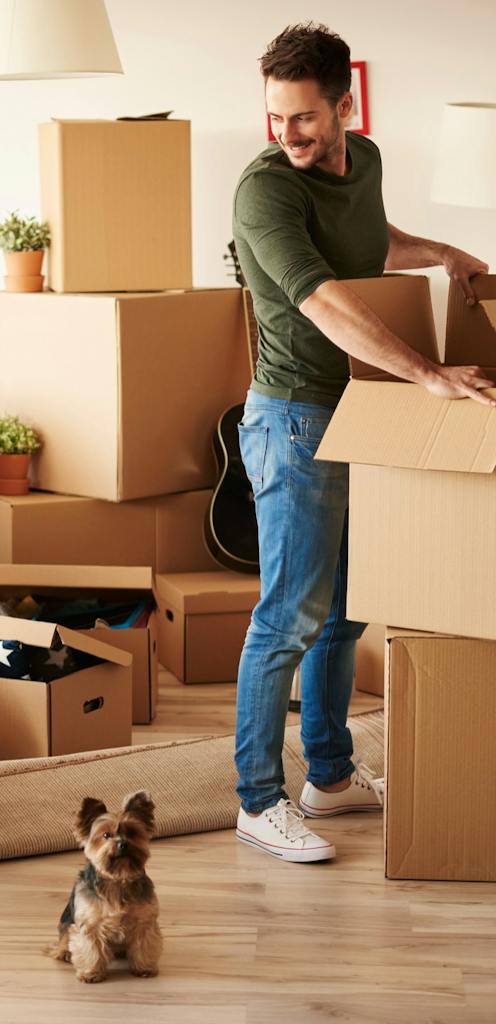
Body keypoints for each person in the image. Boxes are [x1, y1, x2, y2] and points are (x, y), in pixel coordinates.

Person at [231, 22, 494, 863]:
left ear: (346, 105)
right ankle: (257, 798)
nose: (287, 135)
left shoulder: (366, 160)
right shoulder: (264, 191)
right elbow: (325, 301)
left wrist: (440, 252)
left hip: (356, 410)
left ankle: (330, 776)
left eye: (304, 117)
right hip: (294, 418)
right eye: (276, 117)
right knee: (288, 616)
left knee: (345, 613)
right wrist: (427, 374)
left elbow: (367, 244)